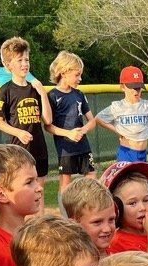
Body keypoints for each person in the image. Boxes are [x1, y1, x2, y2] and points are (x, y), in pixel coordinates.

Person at [0, 38, 52, 183]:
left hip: (39, 148)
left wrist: (43, 93)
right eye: (20, 60)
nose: (25, 64)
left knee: (39, 190)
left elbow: (48, 120)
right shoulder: (5, 90)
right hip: (19, 150)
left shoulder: (35, 88)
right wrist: (18, 132)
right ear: (8, 65)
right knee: (21, 189)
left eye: (26, 60)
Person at [46, 50, 95, 190]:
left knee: (91, 176)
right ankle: (65, 212)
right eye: (77, 75)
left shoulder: (79, 94)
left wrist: (83, 130)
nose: (80, 79)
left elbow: (92, 120)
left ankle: (90, 209)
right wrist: (68, 133)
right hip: (65, 148)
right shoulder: (53, 96)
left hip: (83, 145)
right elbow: (48, 126)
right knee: (65, 182)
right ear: (63, 72)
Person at [95, 66, 148, 162]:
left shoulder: (147, 104)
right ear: (122, 87)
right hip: (127, 152)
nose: (135, 91)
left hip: (143, 153)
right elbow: (98, 118)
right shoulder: (118, 106)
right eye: (132, 87)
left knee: (141, 177)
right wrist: (117, 130)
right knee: (126, 177)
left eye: (138, 88)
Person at [61, 176, 115, 256]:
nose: (107, 229)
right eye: (97, 222)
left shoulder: (113, 251)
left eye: (111, 219)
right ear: (74, 224)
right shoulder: (73, 262)